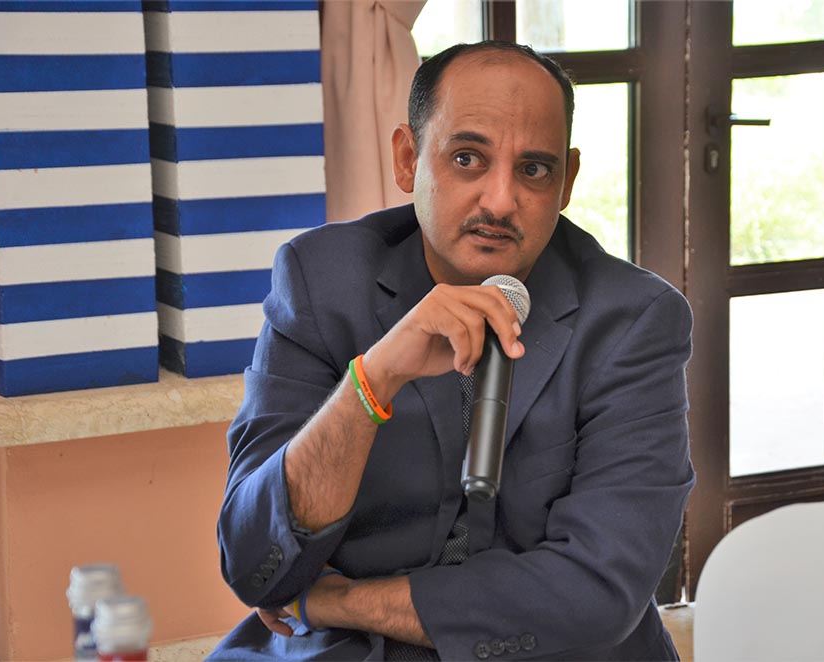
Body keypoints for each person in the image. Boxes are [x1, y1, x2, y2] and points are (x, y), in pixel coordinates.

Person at [210, 40, 695, 661]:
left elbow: (598, 590)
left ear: (567, 181)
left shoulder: (634, 319)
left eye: (534, 169)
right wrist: (373, 380)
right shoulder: (321, 280)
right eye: (468, 159)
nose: (500, 201)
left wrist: (337, 602)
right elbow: (254, 564)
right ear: (407, 159)